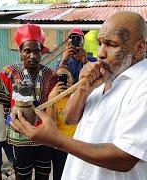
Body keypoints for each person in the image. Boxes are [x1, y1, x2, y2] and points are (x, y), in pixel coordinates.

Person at [11, 11, 147, 180]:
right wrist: (84, 89)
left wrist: (56, 140)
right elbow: (70, 118)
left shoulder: (142, 85)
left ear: (139, 48)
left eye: (111, 44)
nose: (101, 53)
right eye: (100, 43)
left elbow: (125, 158)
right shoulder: (106, 76)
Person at [0, 23, 56, 180]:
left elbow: (54, 106)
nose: (33, 56)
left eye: (37, 51)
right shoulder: (7, 73)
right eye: (28, 51)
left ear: (41, 52)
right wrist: (12, 123)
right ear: (20, 52)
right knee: (22, 175)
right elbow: (4, 105)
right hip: (19, 139)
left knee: (43, 175)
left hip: (44, 138)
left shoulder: (51, 75)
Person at [46, 66, 77, 180]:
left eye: (66, 77)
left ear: (72, 79)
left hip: (77, 146)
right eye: (59, 78)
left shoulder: (78, 96)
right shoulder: (53, 99)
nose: (63, 80)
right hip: (60, 148)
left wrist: (75, 92)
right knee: (60, 175)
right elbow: (50, 123)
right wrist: (51, 99)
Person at [0, 82, 15, 180]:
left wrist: (9, 123)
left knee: (15, 163)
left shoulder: (5, 102)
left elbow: (10, 114)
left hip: (7, 137)